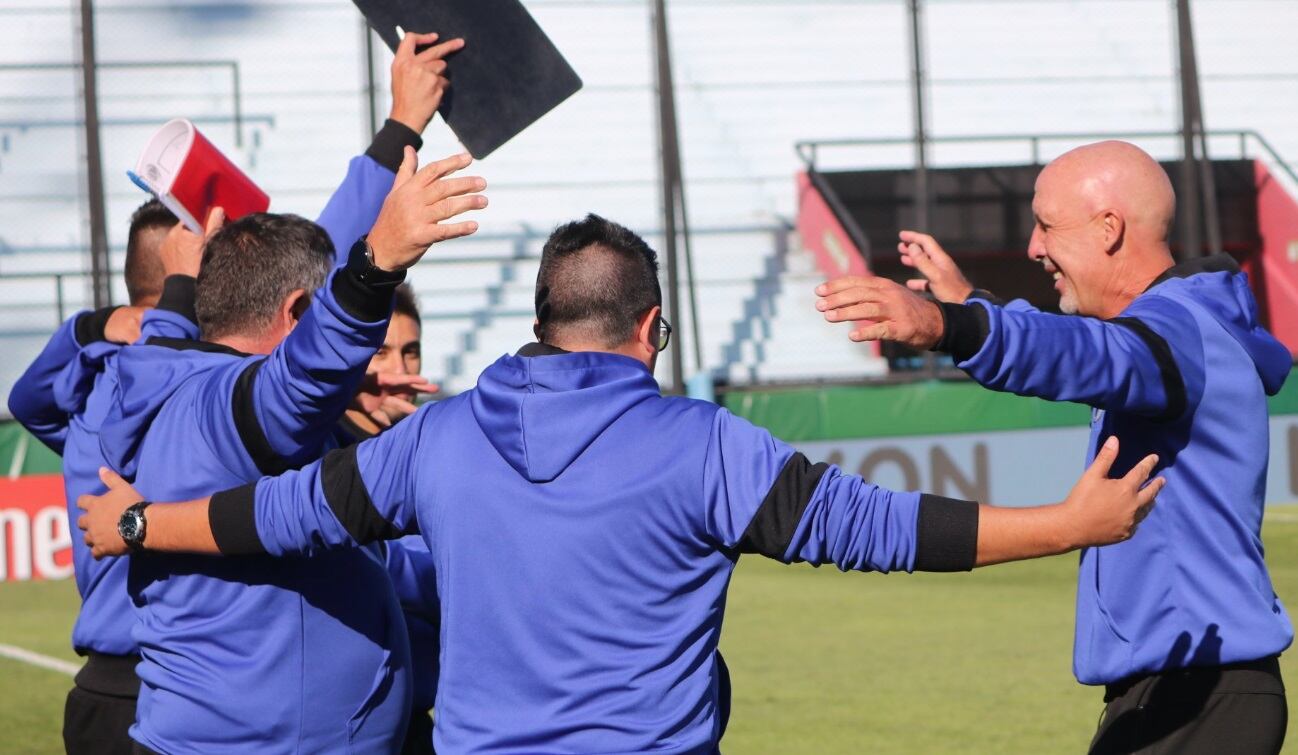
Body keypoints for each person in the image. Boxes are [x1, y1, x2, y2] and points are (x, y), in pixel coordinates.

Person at [80, 214, 1162, 754]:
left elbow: (274, 514)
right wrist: (1067, 521)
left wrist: (136, 520)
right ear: (649, 328)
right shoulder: (700, 445)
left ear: (541, 321)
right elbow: (877, 527)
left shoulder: (436, 438)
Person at [6, 29, 465, 755]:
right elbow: (300, 369)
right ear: (293, 317)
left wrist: (400, 130)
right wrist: (375, 264)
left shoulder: (153, 372)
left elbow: (301, 268)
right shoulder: (221, 407)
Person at [813, 140, 1291, 754]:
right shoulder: (1183, 326)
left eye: (1046, 225)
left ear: (1110, 228)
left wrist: (947, 324)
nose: (1034, 247)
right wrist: (972, 304)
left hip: (1196, 694)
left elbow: (1084, 354)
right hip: (1187, 693)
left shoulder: (1180, 329)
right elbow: (1083, 345)